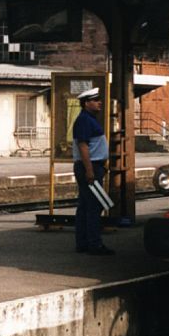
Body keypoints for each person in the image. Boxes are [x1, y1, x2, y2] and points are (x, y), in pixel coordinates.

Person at [72, 88, 114, 255]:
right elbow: (83, 146)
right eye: (95, 100)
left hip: (92, 166)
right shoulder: (84, 120)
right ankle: (94, 244)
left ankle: (82, 243)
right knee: (94, 207)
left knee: (85, 206)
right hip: (89, 168)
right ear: (86, 103)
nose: (99, 102)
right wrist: (90, 171)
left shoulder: (88, 119)